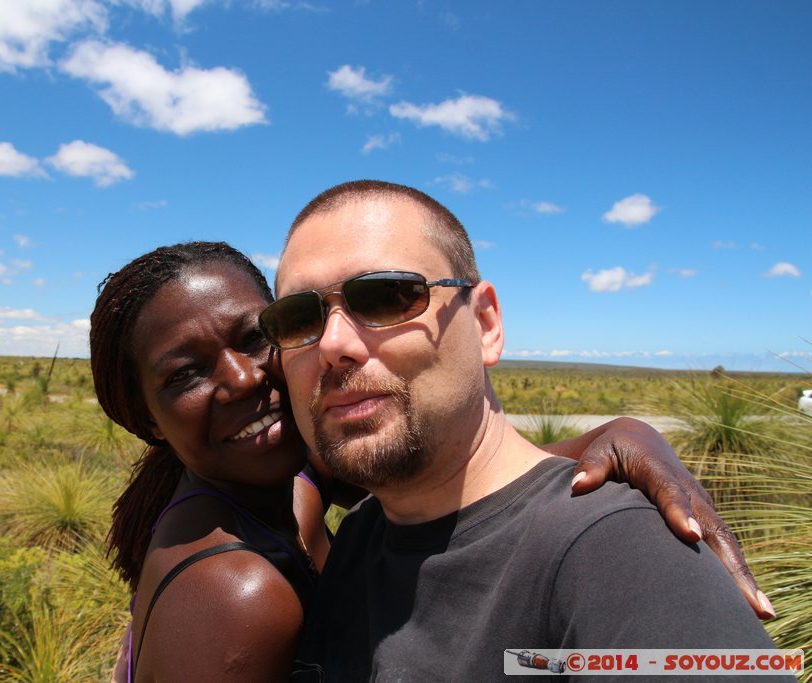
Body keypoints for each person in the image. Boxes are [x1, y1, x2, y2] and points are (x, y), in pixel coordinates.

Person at [91, 240, 770, 682]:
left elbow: (448, 468)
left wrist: (623, 433)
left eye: (256, 336)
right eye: (185, 374)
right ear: (146, 418)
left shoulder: (291, 481)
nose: (241, 379)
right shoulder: (236, 593)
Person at [262, 180, 783, 681]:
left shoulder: (620, 559)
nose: (332, 343)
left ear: (486, 324)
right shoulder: (360, 533)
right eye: (297, 318)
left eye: (385, 297)